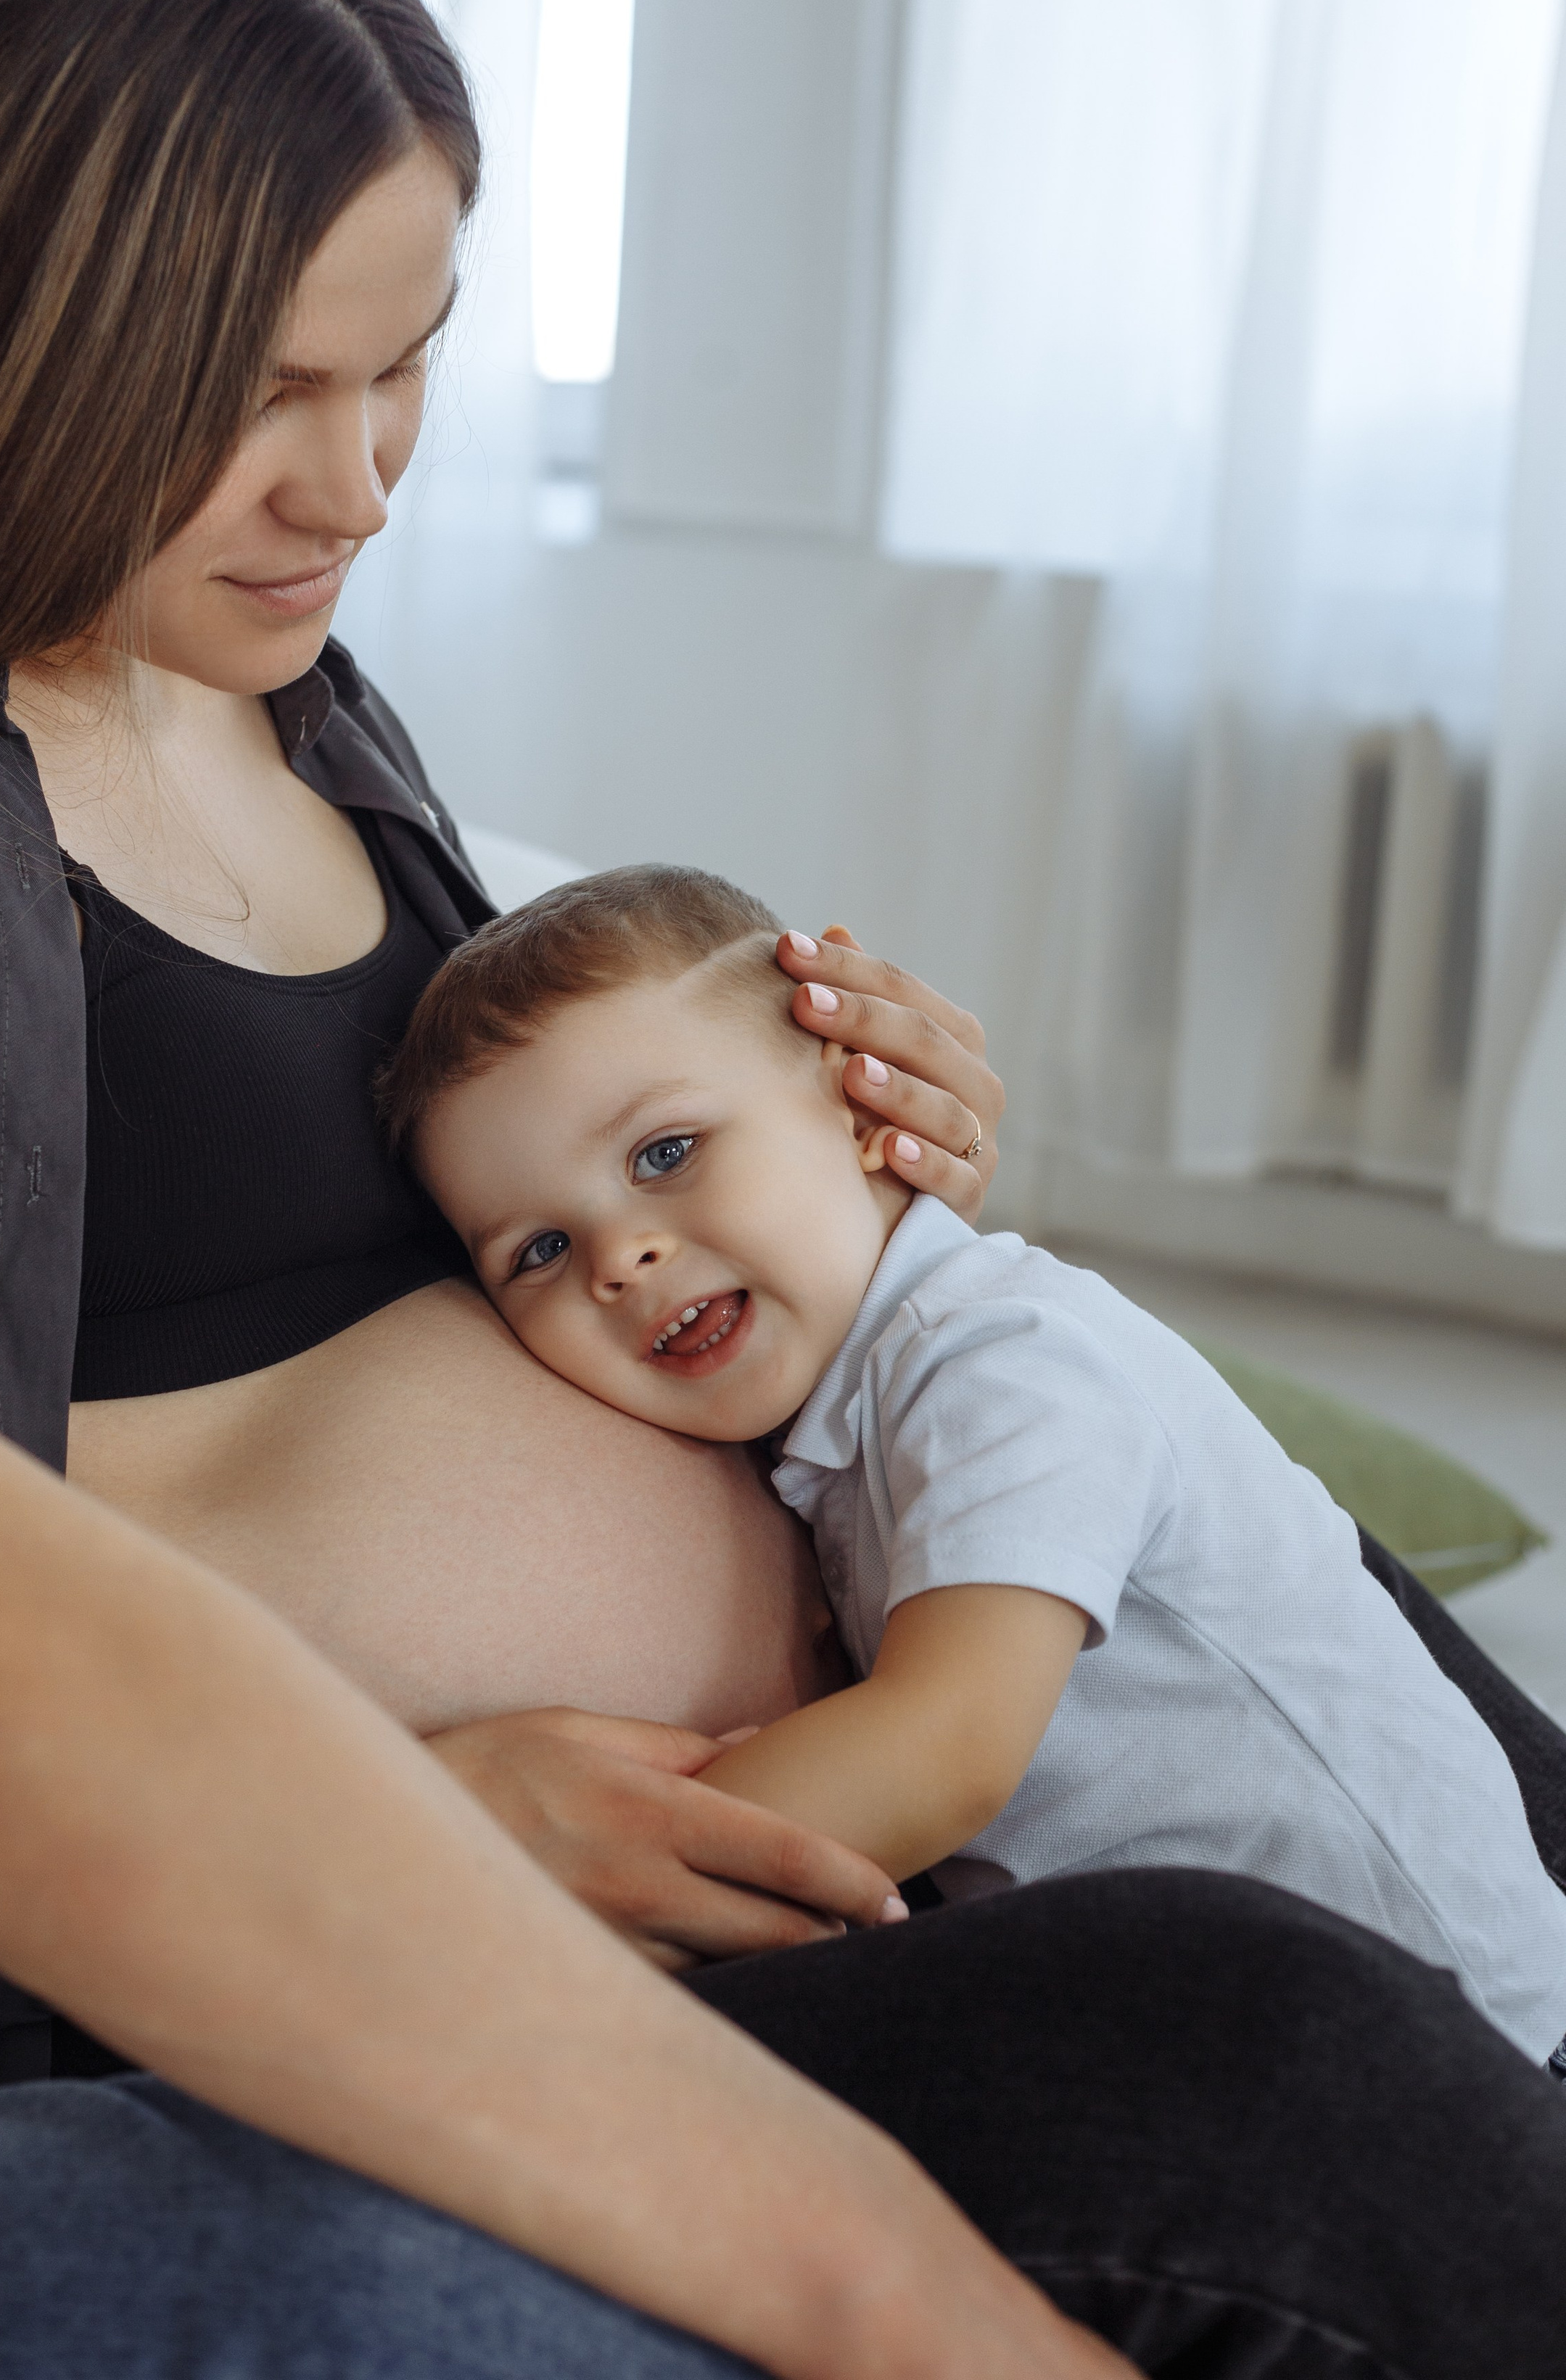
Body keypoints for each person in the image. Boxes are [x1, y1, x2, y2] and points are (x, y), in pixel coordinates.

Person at [0, 0, 1566, 2380]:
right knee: (1272, 2067)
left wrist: (837, 1184)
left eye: (413, 371)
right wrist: (396, 1826)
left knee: (1268, 1559)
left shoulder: (314, 715)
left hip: (853, 1732)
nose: (355, 483)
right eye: (264, 390)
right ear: (27, 318)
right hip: (405, 1921)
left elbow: (556, 1196)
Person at [388, 861, 1566, 2064]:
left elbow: (941, 1751)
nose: (620, 1257)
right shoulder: (836, 1432)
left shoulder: (1001, 1360)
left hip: (1469, 2045)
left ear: (859, 1107)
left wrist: (519, 1905)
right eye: (537, 1249)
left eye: (665, 1153)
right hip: (1235, 2020)